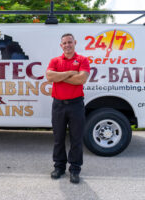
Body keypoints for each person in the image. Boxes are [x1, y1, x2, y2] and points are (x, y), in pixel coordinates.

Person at [46, 33, 90, 184]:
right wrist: (70, 73)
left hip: (76, 105)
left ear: (75, 43)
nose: (67, 45)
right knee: (58, 139)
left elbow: (82, 79)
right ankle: (59, 167)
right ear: (61, 45)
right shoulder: (55, 60)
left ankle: (75, 170)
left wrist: (60, 76)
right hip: (58, 104)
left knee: (76, 139)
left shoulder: (82, 60)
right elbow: (50, 77)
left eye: (69, 42)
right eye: (64, 43)